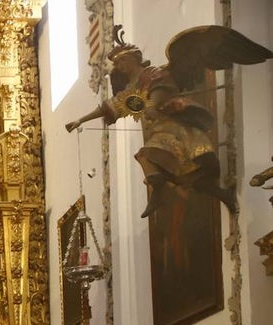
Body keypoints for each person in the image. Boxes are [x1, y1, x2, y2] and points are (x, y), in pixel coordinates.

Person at [65, 25, 271, 218]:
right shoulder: (132, 88)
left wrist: (153, 103)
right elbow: (109, 106)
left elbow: (161, 89)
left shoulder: (155, 74)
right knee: (188, 178)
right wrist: (80, 120)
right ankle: (220, 194)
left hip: (174, 129)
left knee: (146, 155)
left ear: (133, 58)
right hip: (159, 132)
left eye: (121, 62)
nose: (119, 67)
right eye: (117, 64)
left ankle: (157, 192)